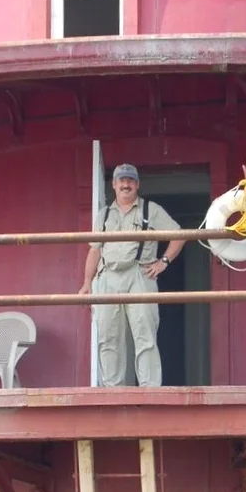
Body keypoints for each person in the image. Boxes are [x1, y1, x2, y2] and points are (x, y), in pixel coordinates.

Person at [79, 163, 185, 387]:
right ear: (114, 185)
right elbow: (95, 249)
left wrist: (164, 261)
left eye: (130, 181)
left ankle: (150, 389)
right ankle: (112, 391)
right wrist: (87, 282)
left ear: (137, 185)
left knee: (144, 335)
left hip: (140, 275)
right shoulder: (104, 214)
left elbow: (180, 234)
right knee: (108, 337)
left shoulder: (151, 210)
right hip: (107, 276)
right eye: (121, 181)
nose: (125, 185)